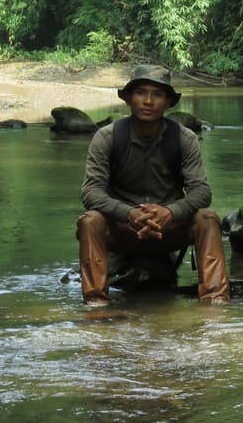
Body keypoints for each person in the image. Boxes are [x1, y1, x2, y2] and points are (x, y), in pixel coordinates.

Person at [76, 64, 230, 306]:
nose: (148, 101)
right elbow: (90, 192)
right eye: (141, 93)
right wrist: (129, 213)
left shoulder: (184, 138)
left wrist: (170, 212)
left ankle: (215, 302)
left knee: (207, 219)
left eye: (157, 95)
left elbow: (202, 192)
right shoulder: (107, 137)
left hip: (168, 229)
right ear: (128, 98)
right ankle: (96, 304)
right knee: (90, 221)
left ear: (169, 102)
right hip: (123, 229)